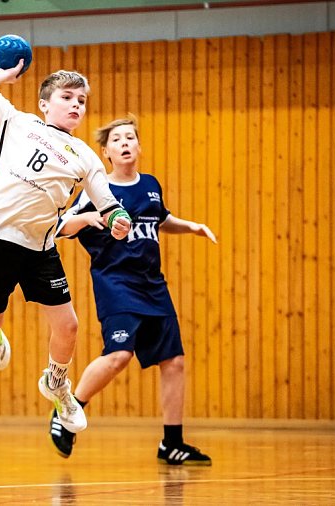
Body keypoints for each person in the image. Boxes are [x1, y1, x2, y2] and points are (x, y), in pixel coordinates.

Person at [0, 61, 133, 434]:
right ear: (44, 103)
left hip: (39, 248)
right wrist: (4, 76)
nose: (76, 105)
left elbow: (108, 204)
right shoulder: (16, 122)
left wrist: (118, 220)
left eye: (81, 100)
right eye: (67, 97)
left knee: (69, 325)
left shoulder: (85, 156)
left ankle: (56, 383)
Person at [48, 114, 215, 466]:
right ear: (105, 152)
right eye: (117, 139)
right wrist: (87, 218)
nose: (125, 143)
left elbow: (160, 219)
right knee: (119, 355)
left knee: (174, 361)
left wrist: (192, 226)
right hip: (116, 284)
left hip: (153, 285)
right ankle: (67, 409)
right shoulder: (96, 192)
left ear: (139, 146)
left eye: (130, 138)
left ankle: (172, 443)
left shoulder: (150, 185)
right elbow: (60, 226)